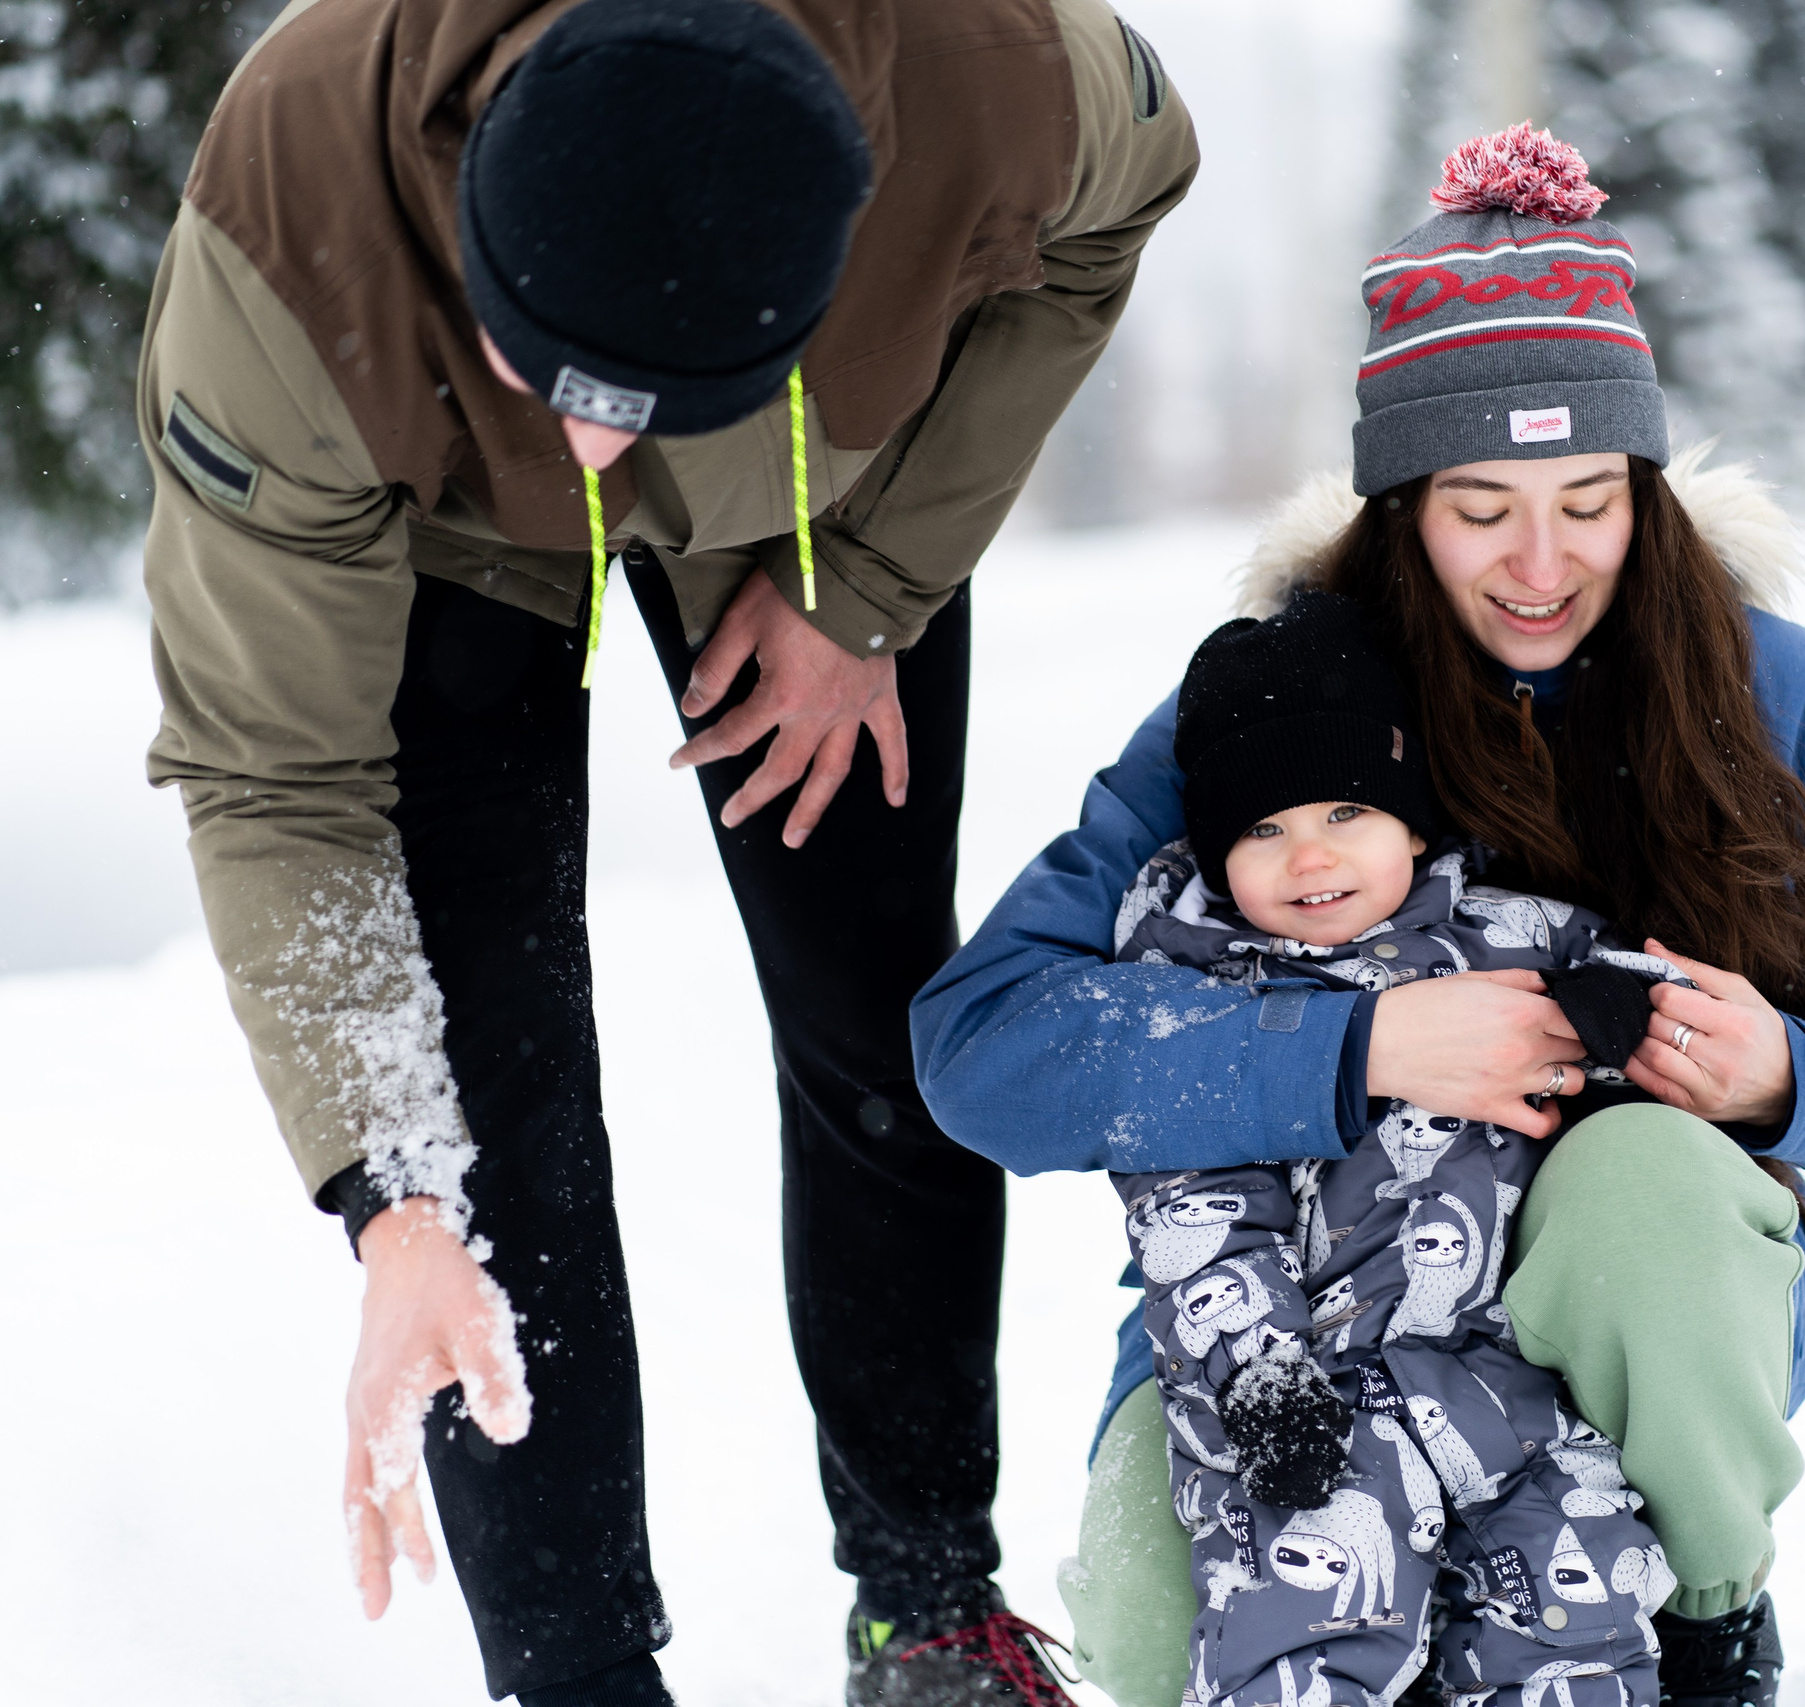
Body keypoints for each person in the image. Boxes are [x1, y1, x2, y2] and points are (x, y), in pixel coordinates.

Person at [137, 1, 1194, 1702]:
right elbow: (276, 772)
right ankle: (577, 1675)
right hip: (438, 517)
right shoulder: (287, 243)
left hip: (806, 496)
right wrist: (391, 1192)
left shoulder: (989, 77)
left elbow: (1123, 207)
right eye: (546, 374)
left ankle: (929, 1609)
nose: (595, 454)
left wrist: (870, 591)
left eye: (646, 404)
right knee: (488, 1117)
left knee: (878, 1015)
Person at [910, 125, 1805, 1707]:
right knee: (1169, 1645)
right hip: (1291, 1321)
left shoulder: (1790, 698)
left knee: (1638, 1186)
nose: (1541, 561)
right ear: (1396, 506)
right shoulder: (1283, 708)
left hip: (1635, 1307)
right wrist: (1355, 1044)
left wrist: (1794, 1074)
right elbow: (982, 1045)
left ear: (1642, 484)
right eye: (1479, 504)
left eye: (1588, 498)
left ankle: (1702, 1613)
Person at [1109, 591, 1680, 1707]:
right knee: (1300, 1642)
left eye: (1344, 812)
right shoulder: (1189, 1005)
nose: (1308, 854)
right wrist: (1262, 1383)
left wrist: (1616, 1008)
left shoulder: (1499, 934)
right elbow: (1195, 1223)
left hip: (1498, 1384)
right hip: (1298, 1411)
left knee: (1574, 1613)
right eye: (1261, 829)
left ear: (1415, 823)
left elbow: (1647, 978)